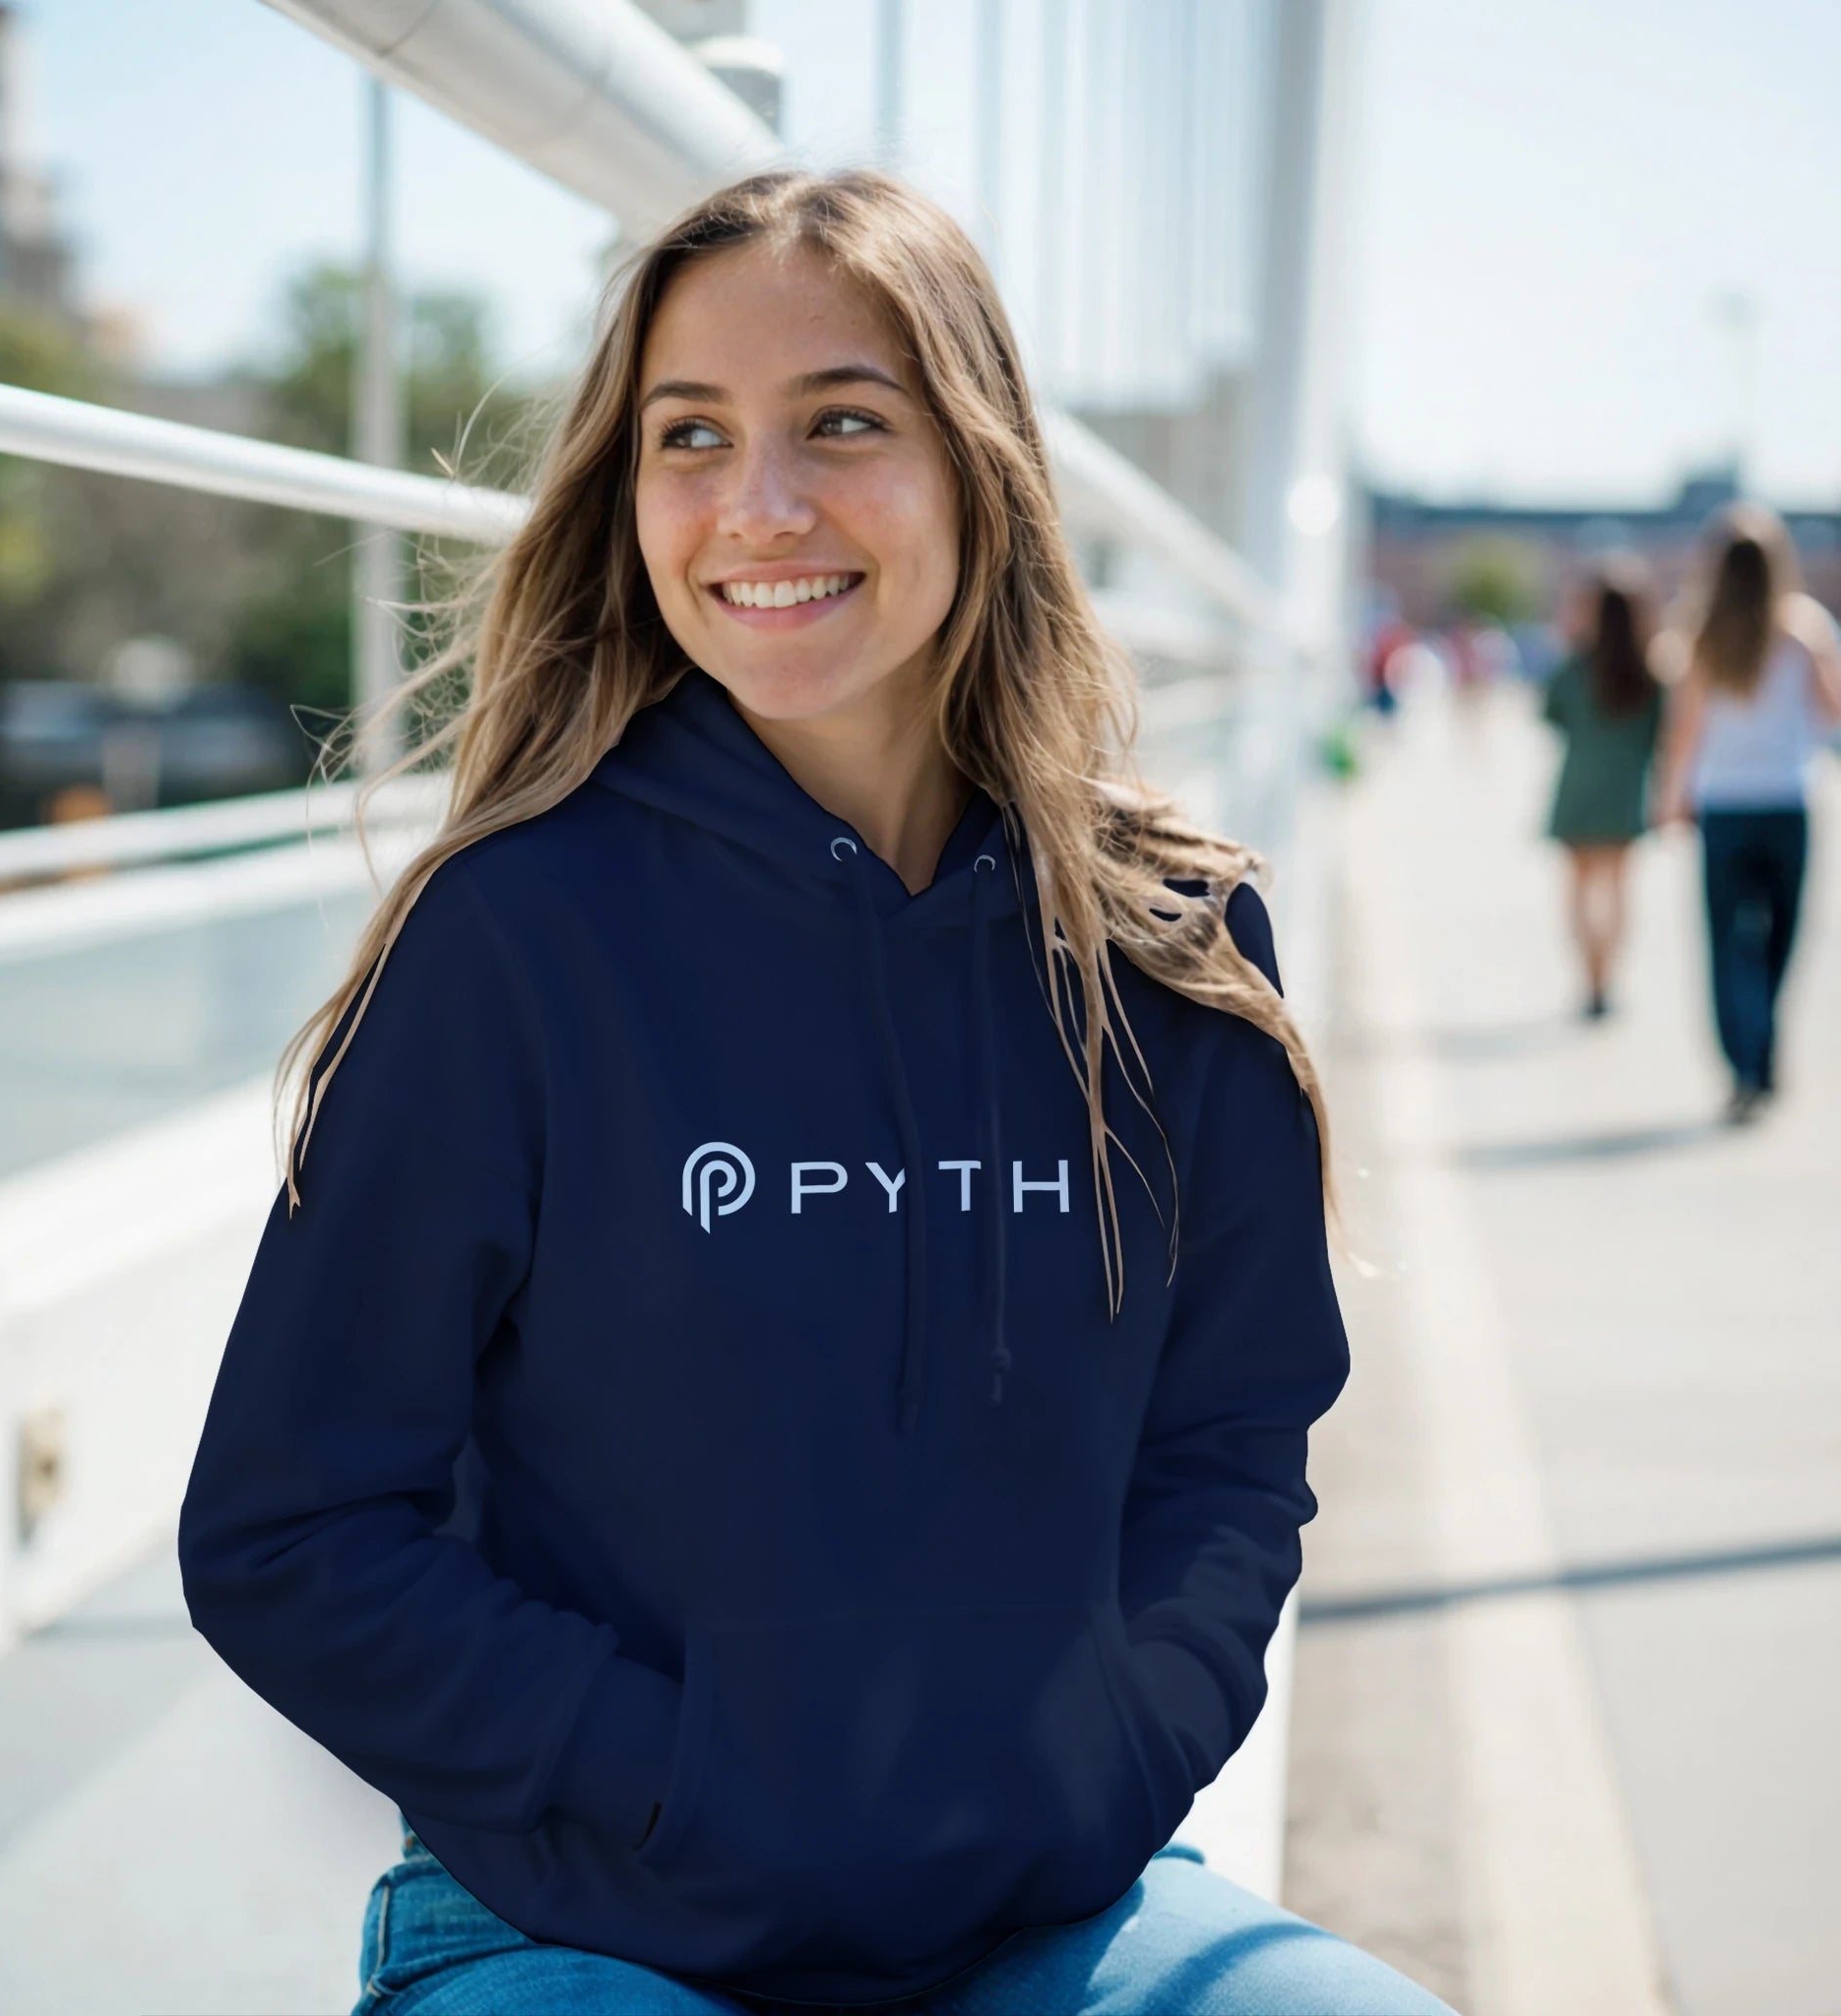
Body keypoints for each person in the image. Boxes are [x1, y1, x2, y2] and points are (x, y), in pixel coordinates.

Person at [176, 168, 1454, 2016]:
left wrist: (1106, 1749)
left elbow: (1232, 1444)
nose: (757, 507)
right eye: (689, 437)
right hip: (580, 1904)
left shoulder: (1171, 944)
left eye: (841, 422)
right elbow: (286, 1527)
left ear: (978, 463)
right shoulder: (518, 935)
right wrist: (673, 1772)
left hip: (1047, 1892)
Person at [1653, 502, 1841, 1123]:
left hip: (1726, 805)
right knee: (1781, 937)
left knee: (1728, 941)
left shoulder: (1699, 632)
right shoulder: (1805, 629)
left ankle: (1744, 1059)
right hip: (1787, 801)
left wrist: (1670, 797)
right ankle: (1762, 1048)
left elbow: (1684, 731)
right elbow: (1832, 711)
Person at [1539, 557, 1666, 1019]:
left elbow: (1550, 715)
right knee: (1617, 891)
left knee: (1579, 890)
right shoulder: (1652, 674)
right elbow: (1663, 738)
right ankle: (1606, 977)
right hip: (1626, 795)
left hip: (1579, 792)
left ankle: (1588, 976)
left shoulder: (1575, 668)